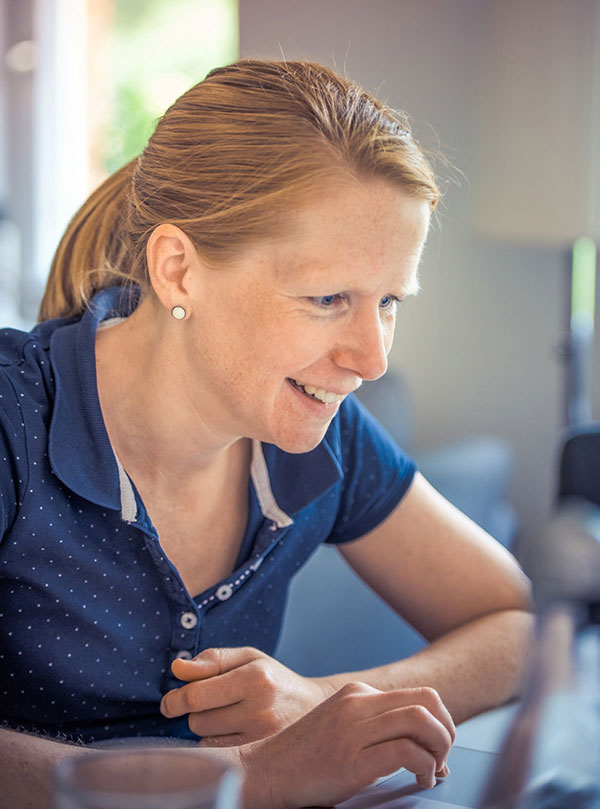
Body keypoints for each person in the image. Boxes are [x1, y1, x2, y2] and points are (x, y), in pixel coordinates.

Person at [0, 58, 533, 808]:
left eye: (387, 301)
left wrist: (320, 700)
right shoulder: (11, 416)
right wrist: (253, 775)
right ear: (179, 270)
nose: (371, 359)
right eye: (326, 297)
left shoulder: (326, 437)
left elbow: (512, 623)